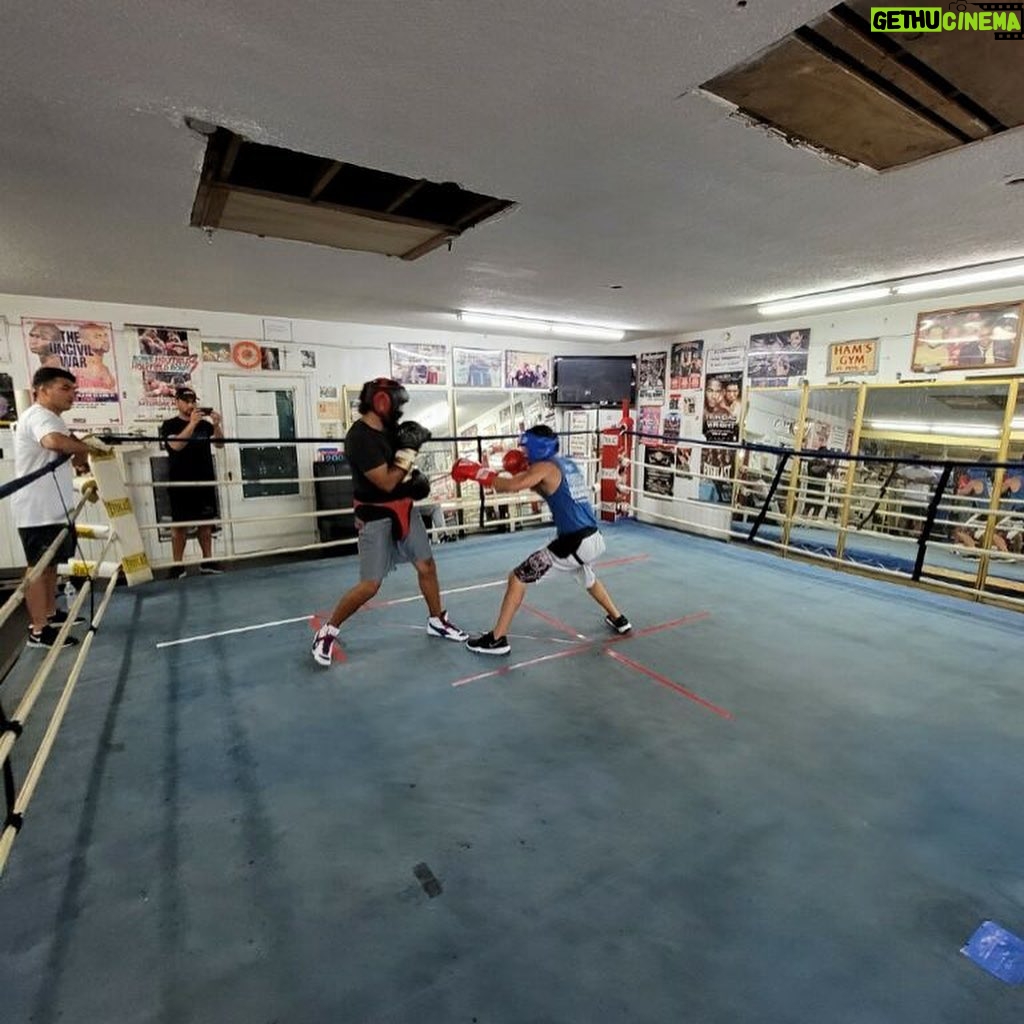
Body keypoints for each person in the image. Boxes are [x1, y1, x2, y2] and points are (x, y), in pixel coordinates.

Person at [311, 378, 467, 667]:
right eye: (398, 403)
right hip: (375, 515)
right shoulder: (359, 438)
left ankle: (437, 620)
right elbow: (385, 481)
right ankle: (327, 630)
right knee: (370, 585)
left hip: (404, 509)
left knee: (426, 565)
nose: (400, 410)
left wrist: (415, 479)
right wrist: (408, 455)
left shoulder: (390, 430)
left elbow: (402, 470)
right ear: (383, 402)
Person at [453, 425, 631, 656]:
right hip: (592, 538)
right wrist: (521, 471)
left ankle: (497, 640)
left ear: (538, 447)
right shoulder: (564, 464)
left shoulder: (545, 467)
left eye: (527, 447)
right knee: (587, 577)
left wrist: (476, 472)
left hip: (574, 542)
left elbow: (511, 486)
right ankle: (619, 619)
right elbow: (543, 488)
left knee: (517, 577)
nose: (524, 452)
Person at [12, 368, 97, 648]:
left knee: (50, 566)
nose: (72, 393)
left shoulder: (54, 419)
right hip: (36, 508)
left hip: (53, 506)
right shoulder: (39, 416)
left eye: (73, 388)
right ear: (42, 389)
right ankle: (38, 630)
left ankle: (49, 614)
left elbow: (68, 450)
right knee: (38, 568)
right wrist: (86, 449)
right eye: (65, 388)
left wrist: (82, 457)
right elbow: (53, 443)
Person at [159, 387, 225, 576]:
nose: (190, 404)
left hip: (203, 479)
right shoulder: (170, 424)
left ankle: (207, 561)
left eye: (193, 401)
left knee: (205, 524)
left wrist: (217, 425)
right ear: (177, 402)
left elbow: (220, 444)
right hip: (181, 481)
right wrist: (192, 424)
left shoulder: (205, 426)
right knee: (179, 526)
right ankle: (178, 565)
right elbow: (175, 446)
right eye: (186, 401)